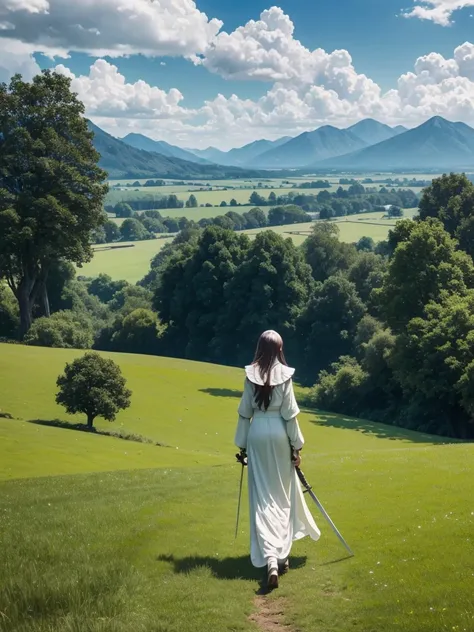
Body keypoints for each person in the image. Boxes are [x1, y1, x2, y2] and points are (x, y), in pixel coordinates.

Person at [234, 330, 320, 589]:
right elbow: (289, 414)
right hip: (279, 436)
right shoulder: (285, 376)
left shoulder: (250, 375)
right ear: (280, 349)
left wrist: (242, 446)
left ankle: (271, 557)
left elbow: (244, 413)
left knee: (263, 498)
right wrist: (297, 447)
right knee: (281, 496)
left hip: (257, 435)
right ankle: (279, 556)